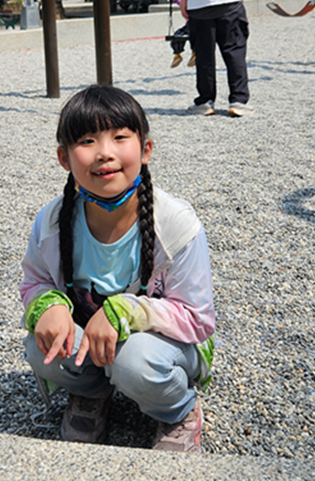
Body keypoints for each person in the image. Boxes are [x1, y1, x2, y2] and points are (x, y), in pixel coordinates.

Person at [21, 85, 215, 453]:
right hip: (95, 344)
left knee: (135, 361)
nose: (105, 153)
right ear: (64, 158)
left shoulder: (174, 224)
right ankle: (93, 393)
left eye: (120, 137)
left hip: (165, 347)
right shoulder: (51, 223)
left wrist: (125, 310)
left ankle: (178, 410)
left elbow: (198, 318)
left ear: (145, 150)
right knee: (38, 346)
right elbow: (35, 282)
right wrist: (50, 305)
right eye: (87, 140)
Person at [166, 0, 194, 68]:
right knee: (179, 35)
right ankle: (178, 55)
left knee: (185, 36)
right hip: (191, 25)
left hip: (193, 25)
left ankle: (191, 53)